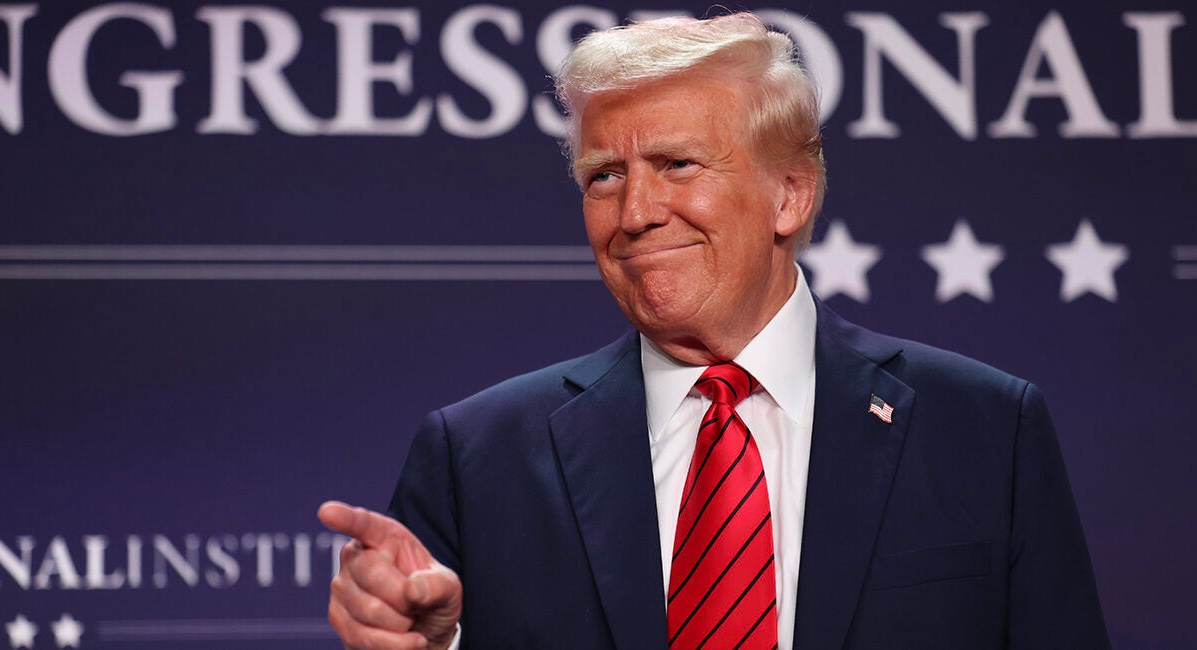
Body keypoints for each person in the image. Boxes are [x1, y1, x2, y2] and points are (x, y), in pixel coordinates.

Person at [318, 12, 1109, 650]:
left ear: (790, 195)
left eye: (678, 165)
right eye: (605, 177)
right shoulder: (477, 456)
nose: (634, 213)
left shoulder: (984, 430)